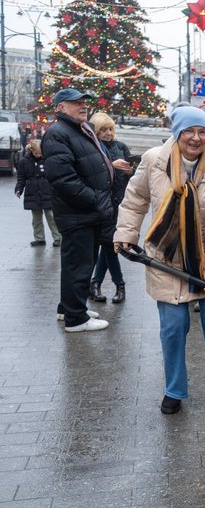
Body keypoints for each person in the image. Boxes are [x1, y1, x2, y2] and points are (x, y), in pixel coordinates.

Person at [114, 106, 205, 424]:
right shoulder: (154, 161)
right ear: (177, 133)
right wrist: (125, 233)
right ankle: (174, 390)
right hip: (164, 259)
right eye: (189, 131)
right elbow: (135, 198)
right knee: (174, 328)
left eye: (202, 131)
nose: (196, 137)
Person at [42, 88, 115, 333]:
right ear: (61, 107)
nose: (83, 105)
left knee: (78, 264)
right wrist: (95, 199)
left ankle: (70, 308)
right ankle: (76, 319)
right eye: (76, 102)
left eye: (84, 101)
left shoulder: (77, 129)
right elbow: (63, 179)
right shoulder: (58, 133)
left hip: (85, 213)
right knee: (79, 266)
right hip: (79, 213)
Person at [88, 112, 133, 304]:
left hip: (120, 205)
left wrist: (131, 171)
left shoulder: (120, 146)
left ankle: (95, 284)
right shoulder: (93, 148)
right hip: (102, 206)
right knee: (110, 246)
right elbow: (92, 174)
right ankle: (119, 285)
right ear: (96, 131)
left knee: (109, 246)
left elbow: (134, 174)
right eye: (103, 130)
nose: (108, 133)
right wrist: (111, 166)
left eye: (110, 129)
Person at [15, 140, 62, 247]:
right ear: (31, 151)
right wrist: (19, 189)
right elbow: (21, 178)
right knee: (36, 218)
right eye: (37, 153)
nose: (39, 155)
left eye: (41, 153)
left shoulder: (48, 159)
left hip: (47, 191)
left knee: (51, 216)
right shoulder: (24, 162)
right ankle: (39, 238)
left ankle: (58, 238)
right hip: (33, 192)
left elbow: (55, 175)